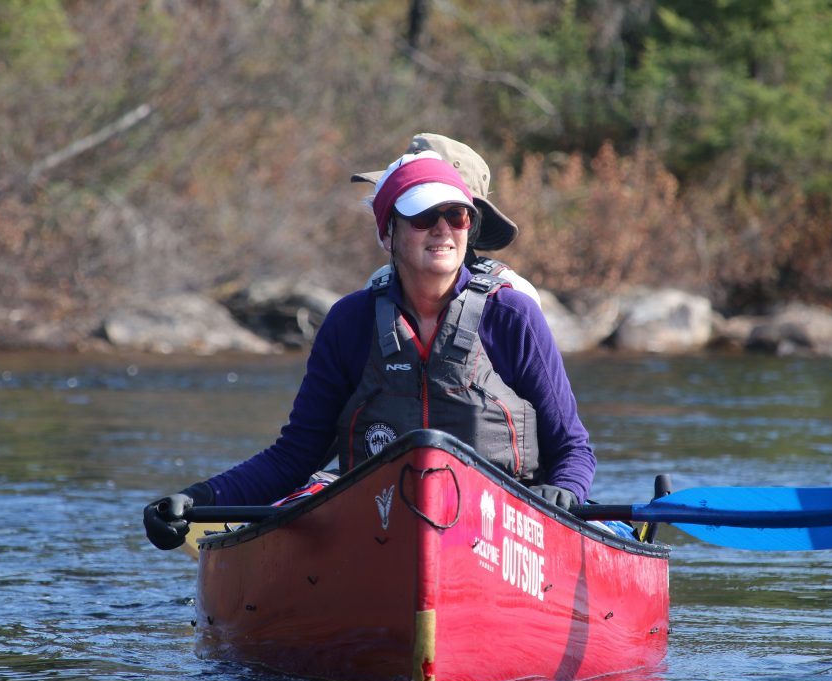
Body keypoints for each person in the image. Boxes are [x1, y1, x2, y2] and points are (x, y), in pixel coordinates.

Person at [144, 147, 595, 551]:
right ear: (388, 234)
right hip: (377, 524)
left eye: (456, 217)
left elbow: (571, 447)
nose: (442, 230)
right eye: (423, 218)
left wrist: (565, 492)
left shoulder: (513, 315)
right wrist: (198, 498)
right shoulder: (349, 322)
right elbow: (295, 457)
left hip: (500, 528)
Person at [351, 133, 541, 306]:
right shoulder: (381, 286)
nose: (440, 228)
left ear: (471, 220)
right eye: (420, 213)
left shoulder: (511, 299)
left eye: (454, 214)